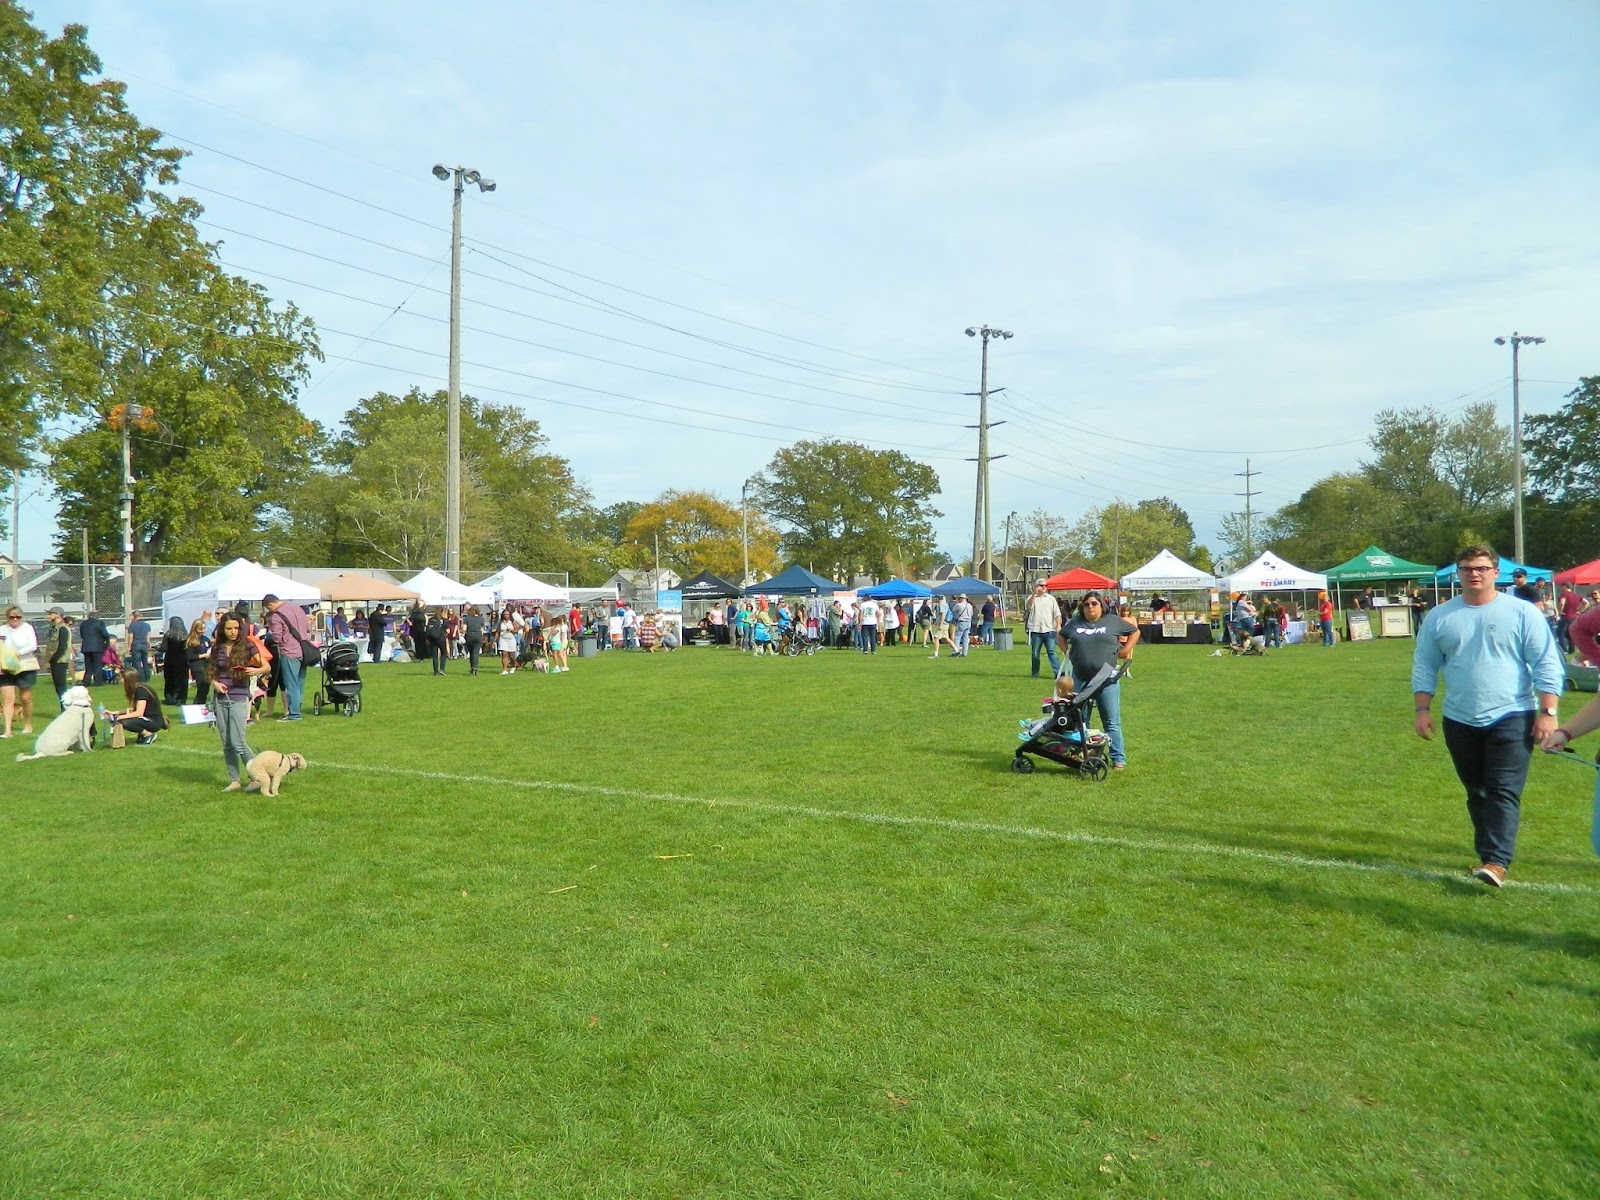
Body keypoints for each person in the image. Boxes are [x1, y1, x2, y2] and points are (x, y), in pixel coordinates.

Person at [1411, 545, 1565, 888]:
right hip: (1460, 717)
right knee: (1476, 790)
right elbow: (1424, 665)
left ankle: (1497, 862)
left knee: (1502, 790)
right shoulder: (1441, 616)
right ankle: (1487, 856)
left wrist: (1548, 712)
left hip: (1513, 714)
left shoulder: (1522, 613)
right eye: (1466, 568)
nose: (1474, 574)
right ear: (1458, 574)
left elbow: (1546, 663)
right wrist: (1422, 709)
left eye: (1481, 568)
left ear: (1496, 572)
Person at [1056, 592, 1139, 770]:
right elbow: (1061, 635)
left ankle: (1118, 759)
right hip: (1080, 679)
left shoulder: (1112, 621)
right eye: (1086, 604)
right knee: (1080, 720)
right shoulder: (1075, 623)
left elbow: (1135, 631)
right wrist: (1067, 653)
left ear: (1102, 605)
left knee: (1111, 721)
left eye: (1094, 603)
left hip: (1106, 680)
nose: (1090, 607)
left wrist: (1125, 651)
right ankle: (1082, 754)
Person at [263, 594, 311, 721]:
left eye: (268, 608)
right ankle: (297, 708)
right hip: (304, 650)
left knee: (291, 684)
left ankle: (294, 714)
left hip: (290, 651)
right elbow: (308, 628)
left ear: (270, 604)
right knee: (300, 683)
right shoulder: (298, 609)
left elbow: (277, 637)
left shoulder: (276, 616)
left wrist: (269, 637)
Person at [1, 605, 41, 738]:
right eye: (12, 617)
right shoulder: (2, 630)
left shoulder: (27, 628)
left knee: (26, 698)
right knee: (8, 698)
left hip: (24, 665)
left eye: (18, 617)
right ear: (7, 617)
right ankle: (7, 730)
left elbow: (33, 645)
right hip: (6, 667)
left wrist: (18, 653)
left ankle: (28, 724)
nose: (15, 620)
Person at [105, 667, 166, 745]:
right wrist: (113, 713)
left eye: (121, 678)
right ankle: (142, 734)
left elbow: (139, 713)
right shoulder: (137, 689)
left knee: (125, 722)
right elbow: (133, 709)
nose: (120, 681)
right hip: (146, 718)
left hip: (154, 721)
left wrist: (119, 717)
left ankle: (148, 734)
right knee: (117, 719)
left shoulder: (141, 690)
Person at [1024, 582, 1062, 678]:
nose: (1044, 587)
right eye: (1041, 585)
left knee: (1051, 652)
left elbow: (1057, 613)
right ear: (1036, 586)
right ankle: (1035, 673)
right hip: (1036, 630)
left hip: (1049, 629)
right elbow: (1029, 606)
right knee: (1035, 653)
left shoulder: (1050, 599)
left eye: (1045, 585)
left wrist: (1058, 625)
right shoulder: (1031, 598)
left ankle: (1058, 673)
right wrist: (1034, 594)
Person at [43, 608, 72, 711]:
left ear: (58, 615)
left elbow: (62, 646)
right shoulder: (54, 628)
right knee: (58, 687)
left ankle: (66, 709)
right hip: (55, 661)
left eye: (50, 614)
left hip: (60, 661)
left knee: (61, 687)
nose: (48, 616)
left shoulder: (63, 628)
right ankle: (64, 709)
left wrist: (53, 659)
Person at [77, 609, 111, 688]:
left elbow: (82, 635)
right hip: (97, 646)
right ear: (97, 616)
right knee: (97, 665)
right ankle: (98, 681)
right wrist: (106, 642)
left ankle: (86, 681)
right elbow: (105, 634)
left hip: (86, 646)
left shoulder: (83, 624)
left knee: (88, 666)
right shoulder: (100, 623)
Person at [160, 616, 190, 706]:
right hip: (182, 661)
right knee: (182, 680)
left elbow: (164, 648)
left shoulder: (168, 635)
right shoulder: (186, 636)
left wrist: (158, 647)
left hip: (170, 660)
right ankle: (181, 698)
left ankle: (170, 698)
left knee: (170, 679)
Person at [186, 618, 212, 706]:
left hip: (207, 665)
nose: (202, 631)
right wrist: (203, 655)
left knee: (206, 688)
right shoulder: (191, 640)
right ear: (195, 628)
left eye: (204, 629)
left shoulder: (206, 639)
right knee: (202, 687)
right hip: (197, 666)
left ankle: (202, 705)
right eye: (200, 629)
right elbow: (189, 656)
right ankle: (197, 705)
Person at [126, 611, 152, 682]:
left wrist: (129, 647)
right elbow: (148, 637)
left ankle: (141, 678)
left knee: (137, 662)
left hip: (136, 645)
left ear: (134, 616)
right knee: (145, 661)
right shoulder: (147, 625)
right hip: (144, 645)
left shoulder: (132, 625)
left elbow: (131, 637)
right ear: (141, 615)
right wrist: (149, 644)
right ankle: (147, 677)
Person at [1556, 583, 1581, 656]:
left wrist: (1560, 611)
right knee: (1570, 634)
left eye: (1562, 587)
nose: (1561, 588)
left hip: (1565, 616)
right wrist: (1580, 610)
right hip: (1574, 616)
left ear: (1565, 586)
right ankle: (1572, 649)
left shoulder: (1564, 594)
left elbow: (1562, 603)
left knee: (1560, 632)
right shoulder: (1576, 595)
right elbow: (1586, 603)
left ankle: (1563, 649)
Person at [463, 605, 485, 675]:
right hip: (478, 635)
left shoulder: (467, 618)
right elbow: (482, 630)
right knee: (476, 653)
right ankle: (475, 668)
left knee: (471, 653)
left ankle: (472, 667)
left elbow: (464, 629)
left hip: (469, 635)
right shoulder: (481, 618)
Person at [427, 609, 448, 675]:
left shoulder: (431, 619)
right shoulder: (445, 620)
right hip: (441, 638)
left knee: (435, 656)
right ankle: (442, 669)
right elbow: (448, 631)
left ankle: (436, 671)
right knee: (443, 653)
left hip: (433, 639)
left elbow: (428, 629)